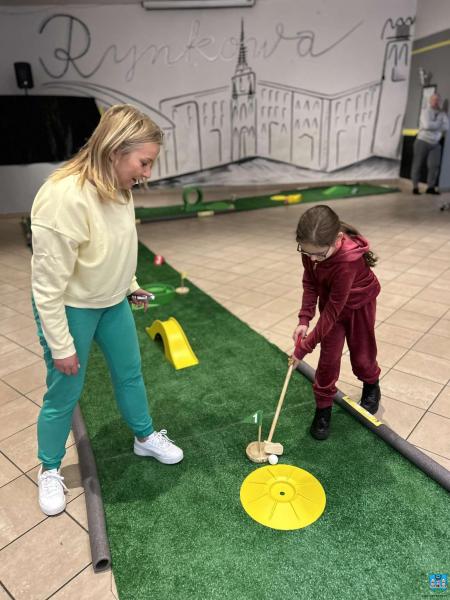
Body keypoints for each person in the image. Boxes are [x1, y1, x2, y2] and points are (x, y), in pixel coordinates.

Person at [31, 104, 183, 517]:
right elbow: (46, 288)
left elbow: (118, 247)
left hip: (112, 302)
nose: (147, 173)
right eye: (144, 162)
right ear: (116, 149)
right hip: (70, 307)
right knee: (65, 392)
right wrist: (61, 344)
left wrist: (129, 286)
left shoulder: (120, 187)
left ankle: (144, 435)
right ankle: (48, 468)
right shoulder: (62, 198)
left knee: (130, 372)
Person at [290, 205, 381, 441]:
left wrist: (304, 347)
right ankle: (323, 409)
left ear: (338, 239)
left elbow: (332, 311)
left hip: (359, 305)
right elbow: (310, 283)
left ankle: (371, 383)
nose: (312, 258)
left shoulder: (347, 261)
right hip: (333, 304)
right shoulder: (313, 249)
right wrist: (304, 318)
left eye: (318, 254)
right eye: (306, 252)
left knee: (362, 355)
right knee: (328, 360)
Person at [411, 93, 449, 195]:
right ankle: (415, 187)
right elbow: (427, 125)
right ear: (430, 101)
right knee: (417, 165)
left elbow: (447, 127)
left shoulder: (443, 114)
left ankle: (430, 188)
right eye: (434, 100)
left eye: (438, 100)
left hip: (435, 143)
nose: (436, 102)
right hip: (422, 141)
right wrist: (439, 124)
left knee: (434, 166)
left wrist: (436, 125)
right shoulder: (425, 112)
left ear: (440, 102)